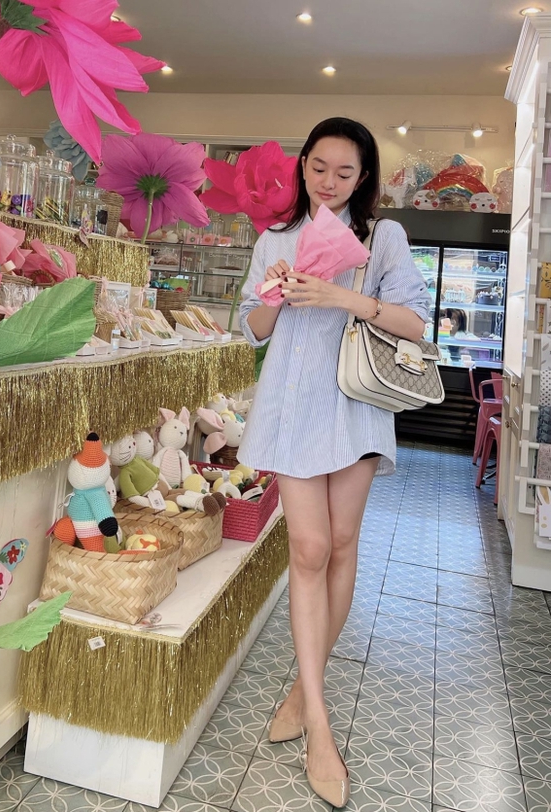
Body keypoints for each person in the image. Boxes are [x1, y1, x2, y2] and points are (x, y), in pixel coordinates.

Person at [237, 117, 431, 808]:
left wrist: (343, 294)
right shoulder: (274, 239)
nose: (328, 181)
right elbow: (252, 330)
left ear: (363, 178)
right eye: (319, 167)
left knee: (343, 544)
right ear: (303, 166)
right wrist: (274, 295)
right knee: (310, 549)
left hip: (356, 404)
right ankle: (320, 727)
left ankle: (302, 690)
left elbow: (416, 323)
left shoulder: (384, 237)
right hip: (293, 407)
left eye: (344, 172)